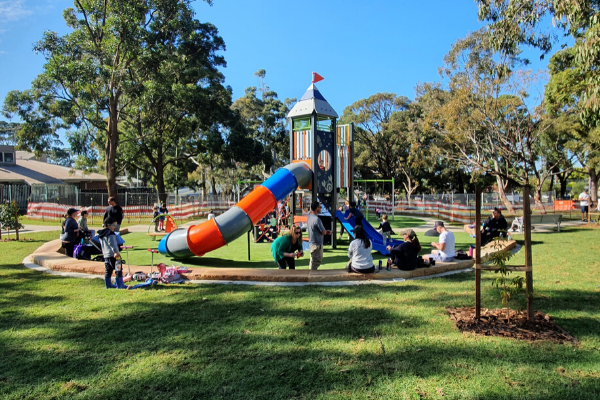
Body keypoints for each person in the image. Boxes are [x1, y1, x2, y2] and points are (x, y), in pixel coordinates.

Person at [98, 217, 129, 289]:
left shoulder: (101, 234)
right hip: (113, 255)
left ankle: (108, 285)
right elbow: (112, 244)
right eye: (114, 225)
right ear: (108, 225)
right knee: (118, 269)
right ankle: (120, 285)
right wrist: (116, 252)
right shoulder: (110, 234)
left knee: (108, 270)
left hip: (106, 255)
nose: (115, 227)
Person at [307, 201, 332, 270]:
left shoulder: (310, 217)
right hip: (317, 244)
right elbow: (323, 232)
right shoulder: (317, 219)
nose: (321, 208)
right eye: (320, 207)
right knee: (316, 262)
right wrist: (328, 232)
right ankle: (312, 277)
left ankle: (311, 275)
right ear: (316, 208)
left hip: (312, 243)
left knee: (313, 261)